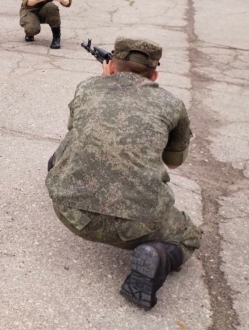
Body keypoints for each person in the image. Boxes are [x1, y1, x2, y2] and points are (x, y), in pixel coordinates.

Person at [46, 37, 201, 310]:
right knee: (188, 236)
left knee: (79, 134)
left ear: (112, 67)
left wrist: (103, 85)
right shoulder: (172, 104)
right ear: (155, 74)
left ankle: (57, 170)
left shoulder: (87, 87)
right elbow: (174, 163)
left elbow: (74, 126)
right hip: (139, 226)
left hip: (69, 212)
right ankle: (158, 254)